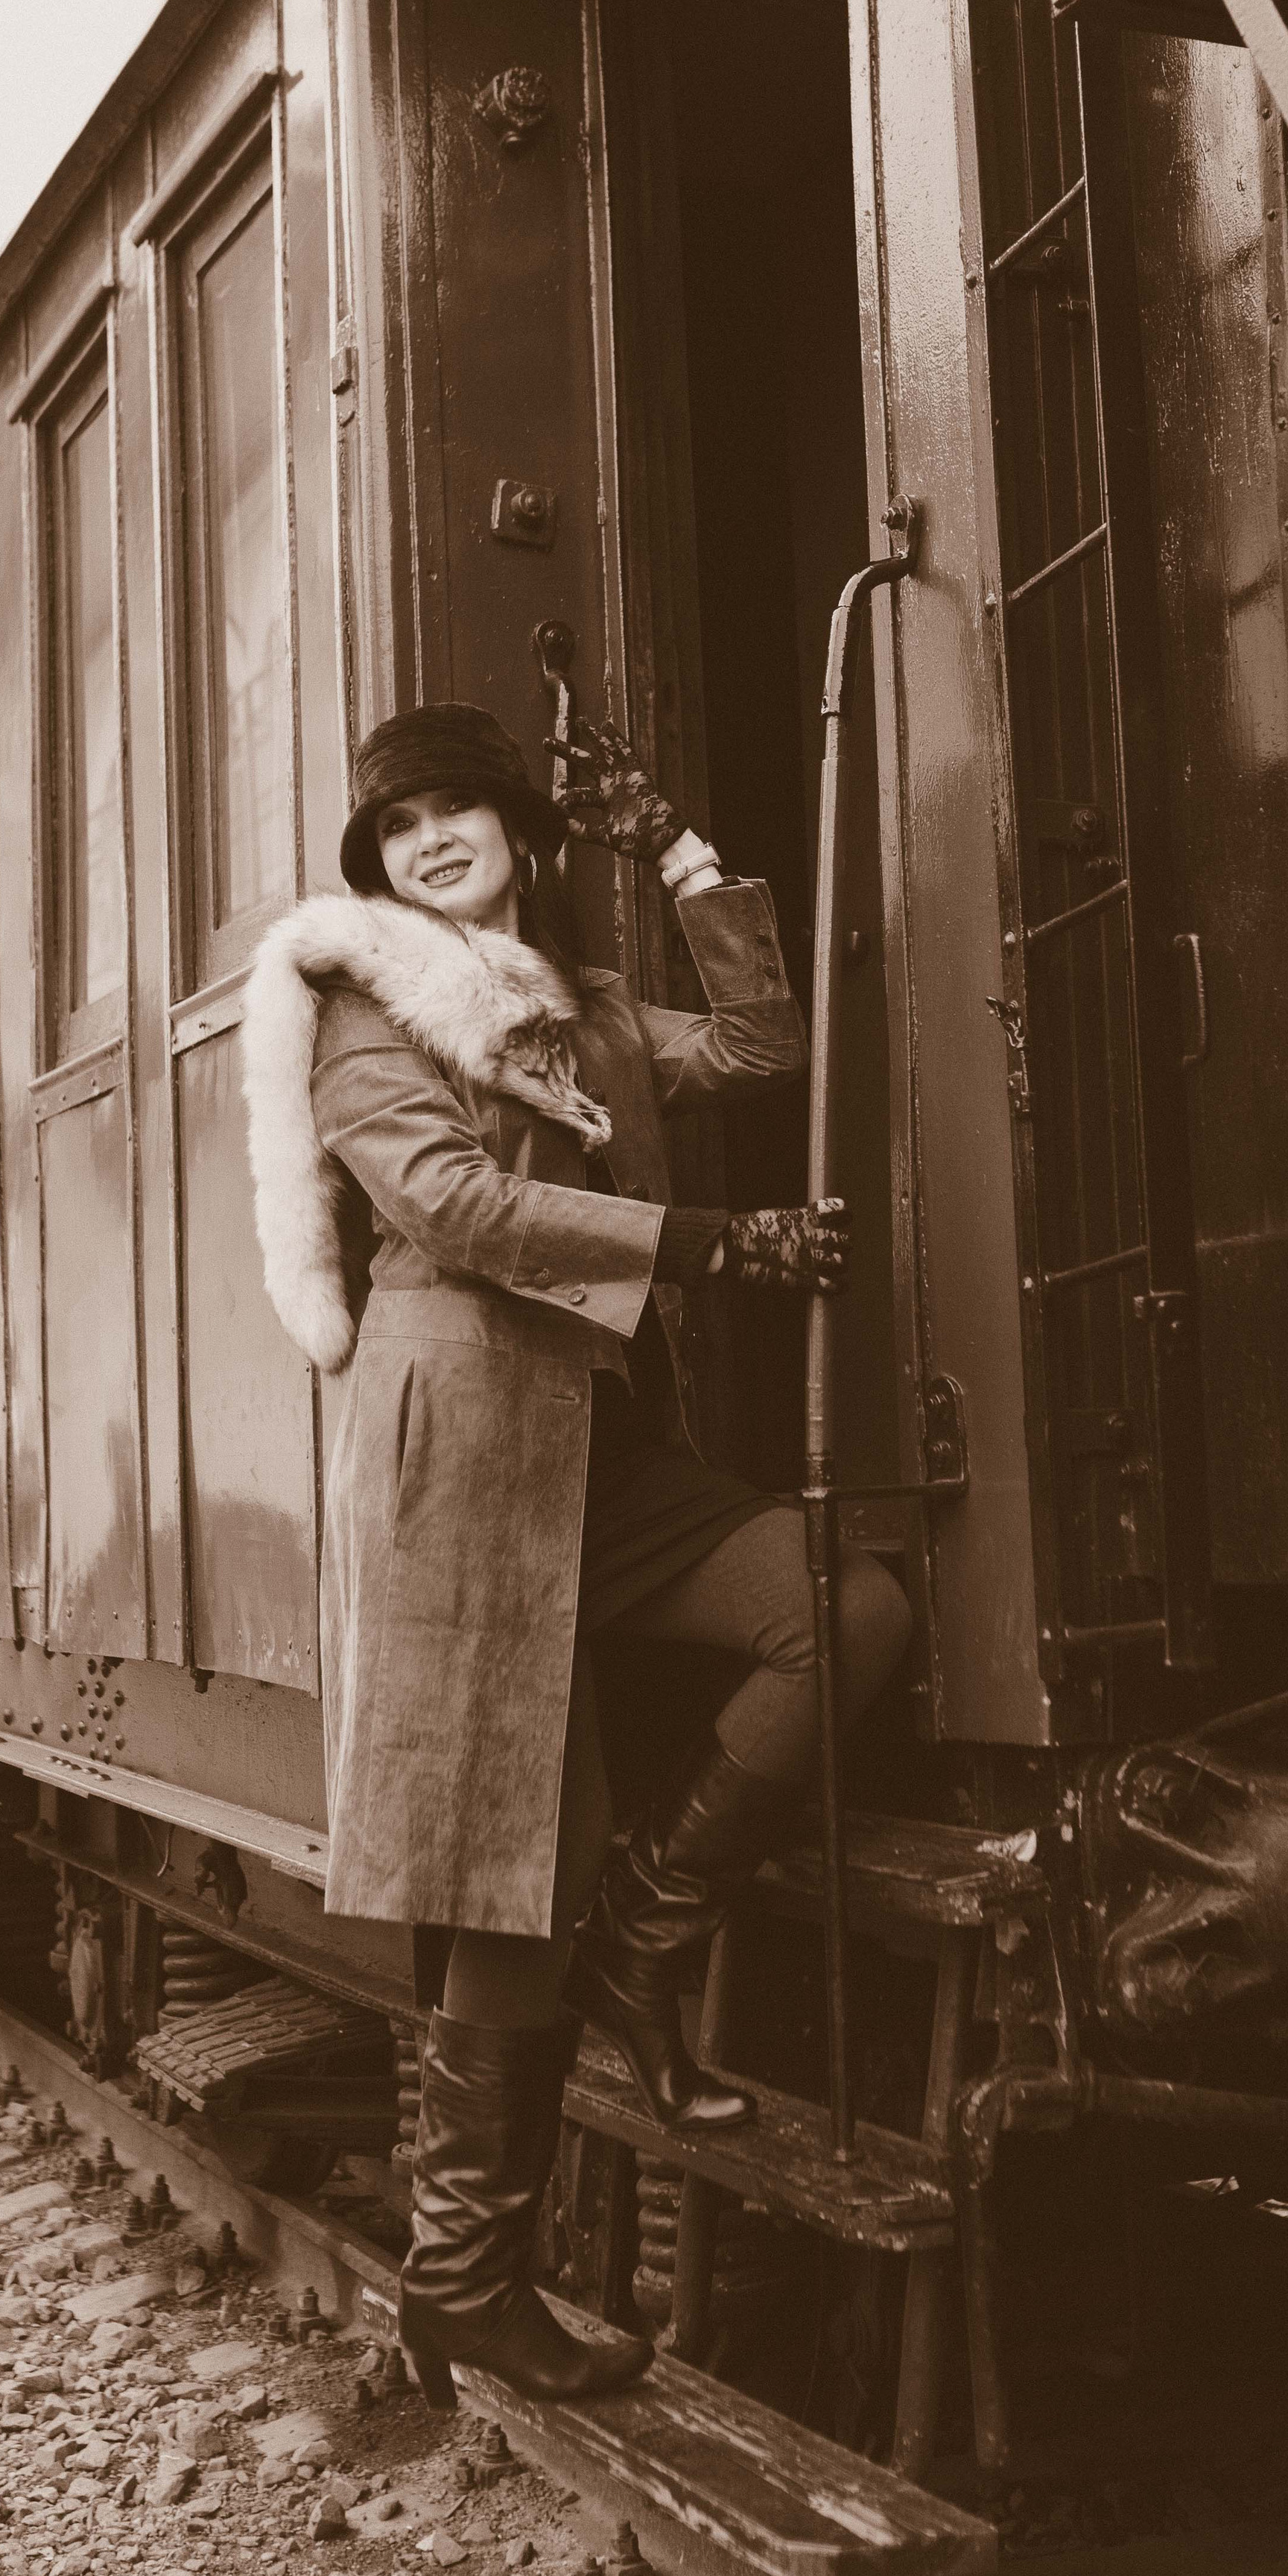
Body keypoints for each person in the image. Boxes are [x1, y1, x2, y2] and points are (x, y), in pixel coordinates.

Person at [241, 703, 911, 2410]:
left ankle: (645, 1939)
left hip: (606, 1461)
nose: (436, 839)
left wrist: (678, 848)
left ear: (524, 838)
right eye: (403, 827)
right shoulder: (362, 1007)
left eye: (466, 811)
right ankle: (466, 2284)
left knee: (840, 1616)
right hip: (462, 1452)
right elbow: (450, 1206)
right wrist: (705, 1243)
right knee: (500, 1883)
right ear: (376, 870)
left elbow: (762, 1044)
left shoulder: (589, 1010)